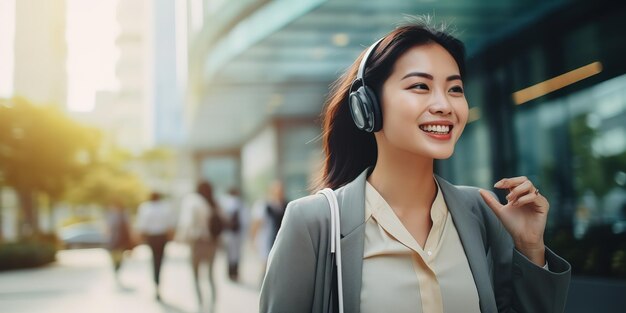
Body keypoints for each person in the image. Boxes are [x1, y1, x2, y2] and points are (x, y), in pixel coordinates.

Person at [260, 18, 571, 313]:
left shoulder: (482, 212)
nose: (444, 105)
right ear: (367, 106)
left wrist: (530, 248)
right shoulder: (313, 222)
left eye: (455, 89)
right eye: (420, 86)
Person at [176, 181, 225, 311]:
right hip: (211, 243)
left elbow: (187, 223)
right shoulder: (214, 203)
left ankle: (200, 304)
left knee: (196, 275)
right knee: (210, 275)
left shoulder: (193, 201)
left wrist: (181, 239)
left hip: (197, 242)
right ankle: (212, 305)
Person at [136, 192, 175, 301]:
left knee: (155, 260)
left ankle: (156, 283)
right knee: (159, 260)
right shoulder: (165, 207)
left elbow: (142, 226)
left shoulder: (145, 208)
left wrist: (139, 240)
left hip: (152, 238)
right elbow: (170, 226)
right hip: (161, 237)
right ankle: (157, 283)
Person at [251, 180, 287, 272]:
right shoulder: (263, 206)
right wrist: (253, 240)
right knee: (266, 268)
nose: (279, 193)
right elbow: (256, 224)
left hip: (281, 241)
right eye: (277, 191)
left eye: (281, 191)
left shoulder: (285, 205)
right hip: (266, 241)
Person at [105, 198, 134, 283]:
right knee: (114, 256)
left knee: (120, 256)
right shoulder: (110, 214)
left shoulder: (124, 214)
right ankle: (115, 267)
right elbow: (107, 228)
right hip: (112, 240)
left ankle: (117, 268)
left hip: (121, 239)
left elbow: (128, 227)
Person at [221, 187, 245, 281]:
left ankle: (231, 273)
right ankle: (234, 273)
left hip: (230, 233)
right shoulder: (238, 203)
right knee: (235, 255)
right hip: (235, 233)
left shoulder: (225, 202)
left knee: (230, 255)